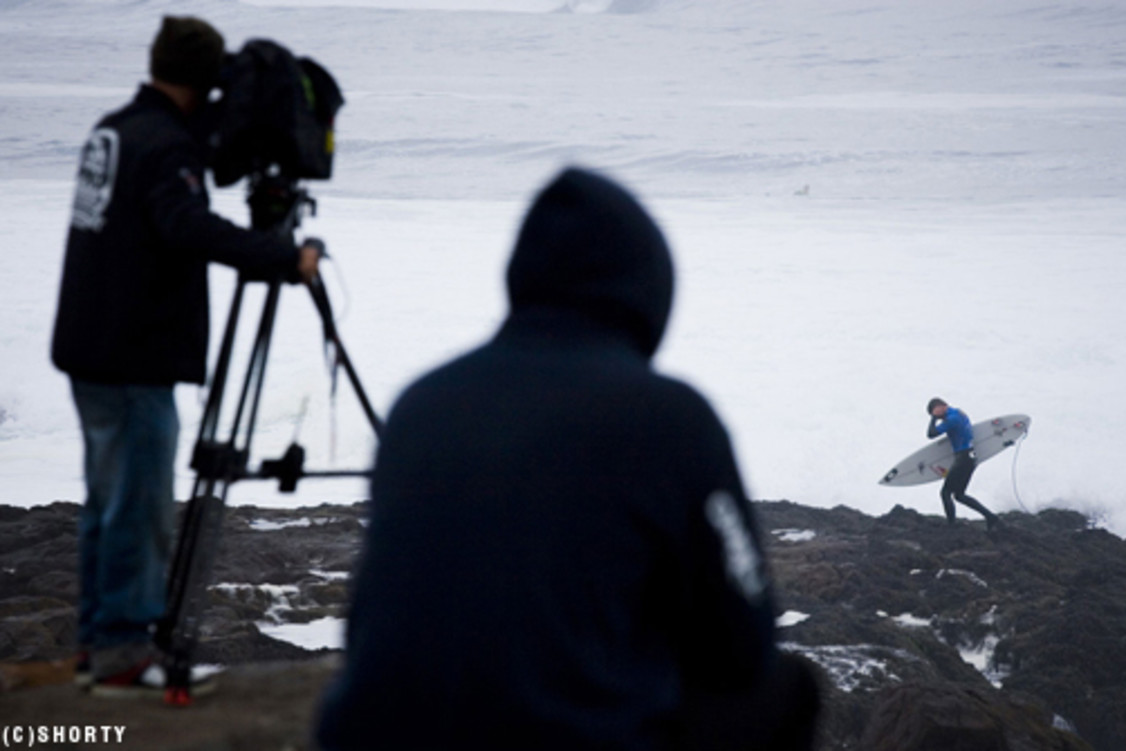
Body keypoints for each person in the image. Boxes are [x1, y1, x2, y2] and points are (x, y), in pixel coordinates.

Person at [317, 168, 819, 750]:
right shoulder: (670, 418)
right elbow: (744, 646)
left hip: (370, 736)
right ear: (650, 288)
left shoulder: (421, 402)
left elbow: (371, 620)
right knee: (786, 690)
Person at [50, 15, 321, 697]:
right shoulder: (166, 146)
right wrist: (283, 255)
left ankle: (98, 642)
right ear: (202, 81)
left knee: (105, 501)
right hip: (133, 354)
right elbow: (186, 224)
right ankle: (124, 655)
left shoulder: (115, 128)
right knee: (139, 507)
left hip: (89, 343)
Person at [926, 398, 1000, 530]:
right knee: (959, 495)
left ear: (941, 407)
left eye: (936, 413)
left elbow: (931, 434)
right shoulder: (958, 413)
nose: (938, 417)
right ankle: (991, 517)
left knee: (945, 493)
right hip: (970, 457)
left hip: (963, 458)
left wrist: (933, 418)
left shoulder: (952, 419)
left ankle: (951, 526)